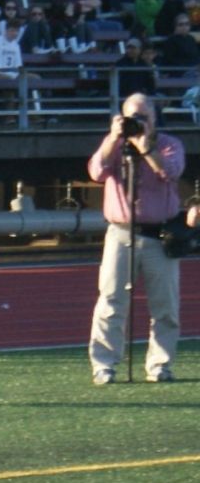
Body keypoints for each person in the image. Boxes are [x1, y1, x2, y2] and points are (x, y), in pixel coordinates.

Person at [88, 92, 185, 385]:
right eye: (133, 117)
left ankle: (160, 364)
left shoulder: (169, 144)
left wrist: (145, 149)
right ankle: (104, 365)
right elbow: (96, 171)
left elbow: (170, 172)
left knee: (165, 306)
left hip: (159, 235)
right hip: (120, 233)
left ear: (154, 119)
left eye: (144, 117)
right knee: (111, 301)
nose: (138, 123)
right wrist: (114, 138)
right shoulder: (115, 145)